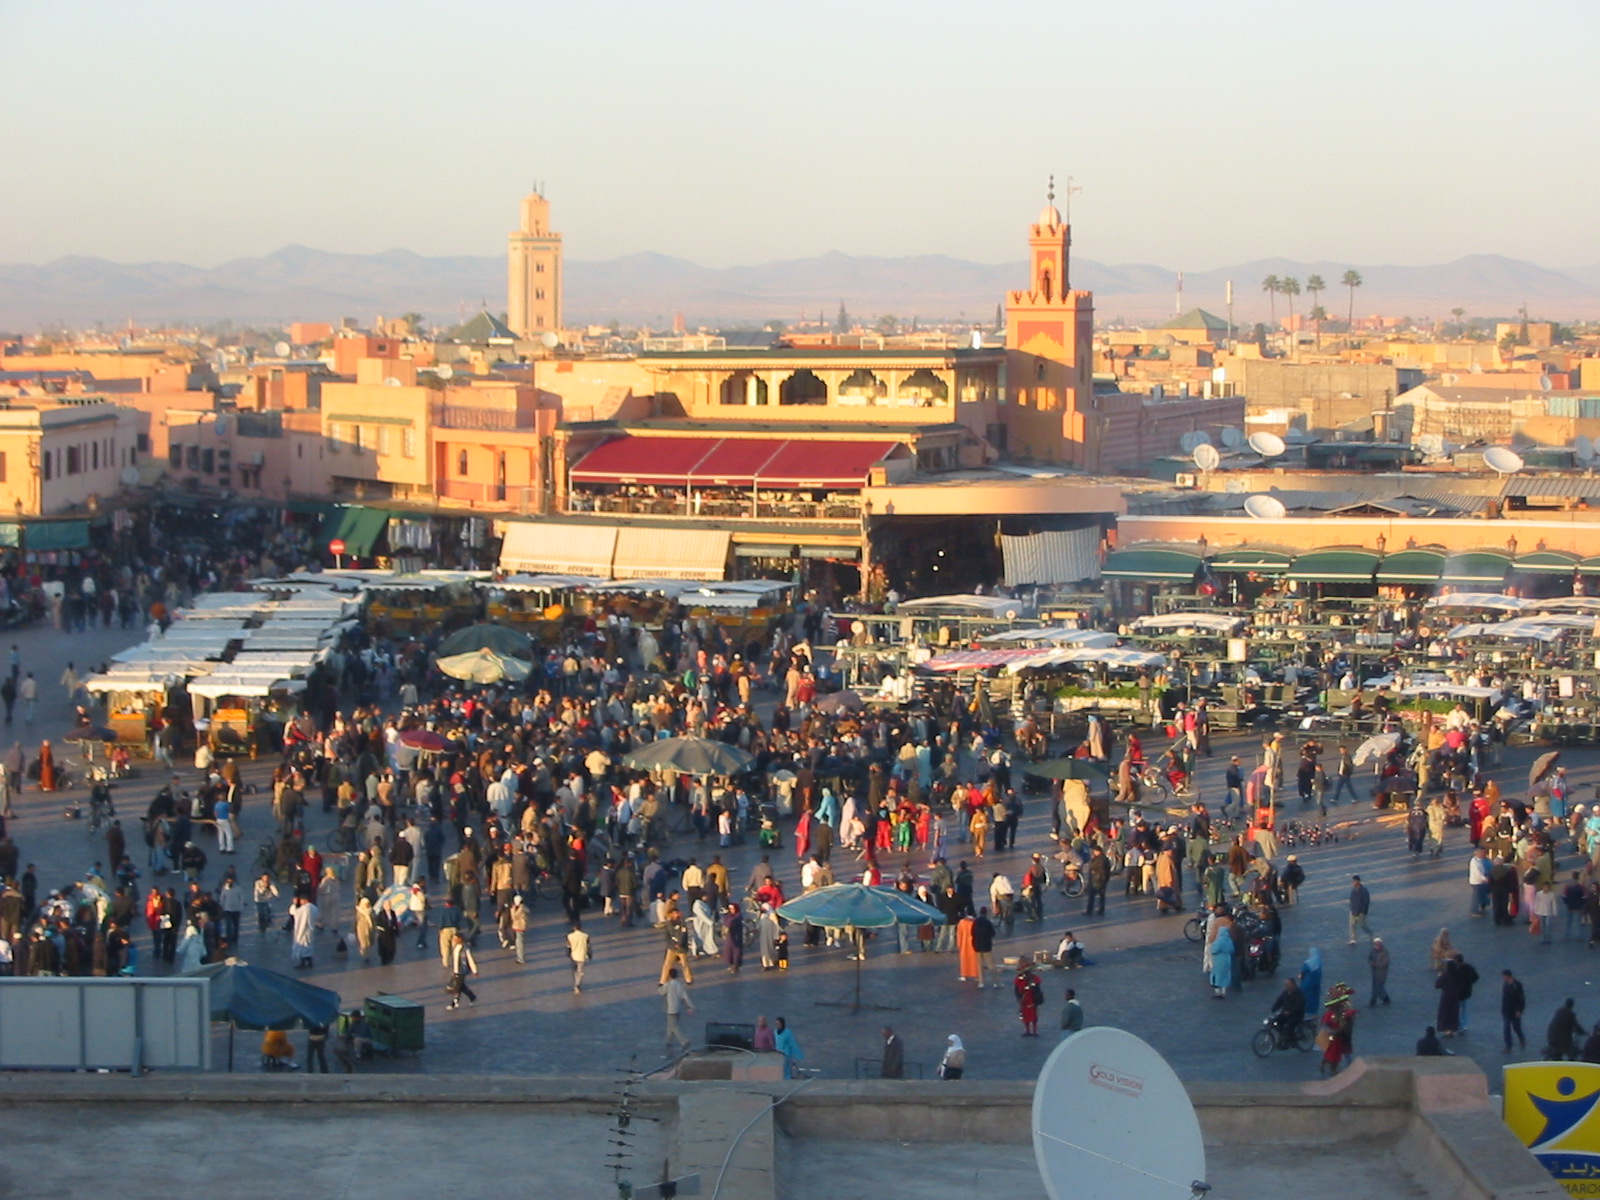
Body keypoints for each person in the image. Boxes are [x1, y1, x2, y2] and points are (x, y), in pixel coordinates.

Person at [1319, 982, 1356, 1076]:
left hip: (1339, 1036)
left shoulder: (1337, 1012)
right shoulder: (1331, 1014)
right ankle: (1334, 1069)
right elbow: (1326, 1026)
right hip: (1336, 1036)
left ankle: (1326, 1064)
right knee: (1335, 1054)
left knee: (1333, 1053)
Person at [661, 966, 694, 1050]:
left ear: (669, 976)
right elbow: (685, 996)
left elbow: (661, 992)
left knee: (674, 1026)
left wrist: (661, 985)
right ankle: (668, 1041)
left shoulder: (668, 985)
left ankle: (684, 1041)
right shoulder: (679, 985)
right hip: (678, 1008)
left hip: (670, 1009)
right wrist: (690, 1006)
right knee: (670, 1025)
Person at [1271, 977, 1306, 1046]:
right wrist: (1273, 1009)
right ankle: (1283, 1036)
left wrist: (1290, 1011)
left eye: (1287, 984)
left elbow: (1299, 1006)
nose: (1286, 985)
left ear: (1292, 985)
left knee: (1290, 1025)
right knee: (1276, 1021)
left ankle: (1291, 1040)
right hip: (1286, 1014)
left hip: (1296, 1015)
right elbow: (1279, 1001)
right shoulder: (1285, 993)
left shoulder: (1298, 994)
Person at [446, 937, 478, 1009]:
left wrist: (474, 970)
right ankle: (472, 997)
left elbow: (470, 959)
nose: (453, 940)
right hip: (456, 970)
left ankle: (454, 1003)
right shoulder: (456, 947)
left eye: (455, 938)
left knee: (457, 987)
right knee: (461, 986)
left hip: (462, 971)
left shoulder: (465, 948)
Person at [1014, 962, 1044, 1035]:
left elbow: (1037, 989)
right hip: (1024, 1000)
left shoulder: (1034, 979)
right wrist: (1019, 998)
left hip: (1032, 999)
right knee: (1025, 1015)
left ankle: (1034, 1030)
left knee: (1033, 1015)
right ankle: (1028, 1030)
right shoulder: (1019, 980)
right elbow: (1016, 990)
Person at [1502, 969, 1527, 1053]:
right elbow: (1504, 999)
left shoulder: (1517, 985)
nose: (1503, 978)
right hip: (1507, 1011)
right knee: (1506, 1028)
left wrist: (1519, 1010)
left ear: (1508, 976)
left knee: (1516, 1027)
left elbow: (1521, 998)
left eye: (1504, 976)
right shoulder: (1505, 985)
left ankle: (1521, 1038)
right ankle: (1508, 1046)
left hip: (1515, 1011)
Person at [1210, 920, 1235, 998]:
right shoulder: (1229, 940)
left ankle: (1218, 993)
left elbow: (1214, 950)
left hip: (1219, 960)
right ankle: (1223, 992)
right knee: (1225, 976)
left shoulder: (1219, 941)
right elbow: (1232, 950)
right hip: (1227, 959)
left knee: (1217, 976)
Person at [567, 916, 591, 993]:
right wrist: (590, 954)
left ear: (574, 928)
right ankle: (577, 985)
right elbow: (588, 946)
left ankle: (576, 983)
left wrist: (568, 954)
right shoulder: (585, 936)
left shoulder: (570, 936)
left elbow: (568, 947)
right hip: (582, 955)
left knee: (574, 971)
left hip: (573, 955)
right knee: (580, 971)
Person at [1367, 937, 1391, 1007]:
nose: (1376, 946)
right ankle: (1385, 998)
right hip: (1374, 971)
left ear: (1381, 944)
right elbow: (1369, 958)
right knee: (1376, 986)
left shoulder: (1385, 951)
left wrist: (1376, 965)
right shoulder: (1372, 951)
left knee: (1378, 986)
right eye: (1375, 944)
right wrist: (1371, 963)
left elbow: (1385, 963)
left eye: (1377, 945)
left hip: (1382, 972)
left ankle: (1374, 1000)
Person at [1347, 875, 1372, 944]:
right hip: (1353, 910)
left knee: (1362, 925)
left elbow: (1366, 902)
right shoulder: (1353, 890)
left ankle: (1371, 934)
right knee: (1352, 925)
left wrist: (1363, 912)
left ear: (1358, 881)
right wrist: (1351, 908)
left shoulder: (1364, 891)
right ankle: (1353, 939)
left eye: (1354, 881)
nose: (1352, 883)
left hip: (1360, 912)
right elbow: (1352, 899)